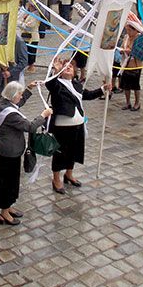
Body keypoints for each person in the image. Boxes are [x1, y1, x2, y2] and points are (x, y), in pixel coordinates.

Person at [46, 57, 110, 194]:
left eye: (71, 66)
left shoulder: (76, 85)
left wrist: (103, 89)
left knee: (74, 151)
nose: (68, 67)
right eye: (65, 66)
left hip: (78, 124)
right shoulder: (57, 84)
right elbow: (49, 84)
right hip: (62, 126)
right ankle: (56, 179)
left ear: (75, 71)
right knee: (60, 153)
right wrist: (55, 71)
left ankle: (69, 174)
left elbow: (87, 95)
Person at [0, 81, 52, 226]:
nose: (21, 96)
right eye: (19, 94)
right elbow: (31, 127)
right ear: (13, 96)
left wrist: (29, 89)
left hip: (12, 150)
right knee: (6, 182)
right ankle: (4, 212)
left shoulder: (4, 102)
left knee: (13, 180)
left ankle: (9, 206)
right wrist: (43, 115)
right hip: (9, 151)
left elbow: (18, 104)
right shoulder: (11, 115)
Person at [118, 23, 143, 111]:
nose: (128, 32)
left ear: (135, 30)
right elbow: (122, 46)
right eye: (127, 30)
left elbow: (140, 52)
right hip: (126, 64)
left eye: (130, 30)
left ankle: (137, 103)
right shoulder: (126, 37)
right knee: (126, 85)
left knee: (136, 85)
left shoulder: (139, 39)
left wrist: (131, 51)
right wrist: (122, 51)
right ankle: (128, 102)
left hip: (135, 65)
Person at [18, 5, 40, 73]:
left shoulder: (35, 15)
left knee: (32, 52)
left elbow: (30, 25)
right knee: (27, 51)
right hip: (26, 37)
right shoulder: (28, 14)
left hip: (33, 37)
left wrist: (21, 24)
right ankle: (28, 65)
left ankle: (32, 66)